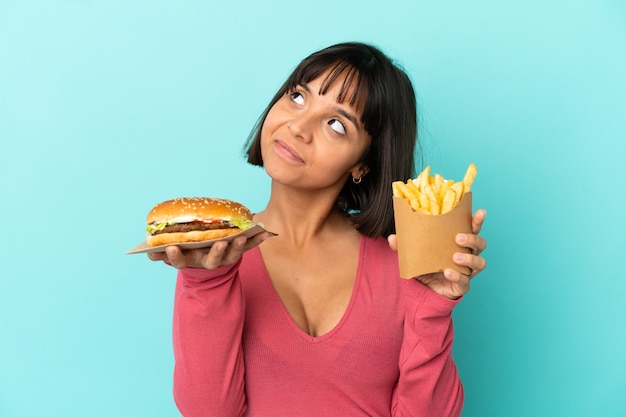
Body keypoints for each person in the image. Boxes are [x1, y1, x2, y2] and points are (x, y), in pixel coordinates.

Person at [149, 42, 487, 417]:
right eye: (297, 96)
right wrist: (205, 283)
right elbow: (209, 411)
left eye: (336, 124)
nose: (298, 126)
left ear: (363, 163)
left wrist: (434, 307)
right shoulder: (216, 253)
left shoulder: (404, 262)